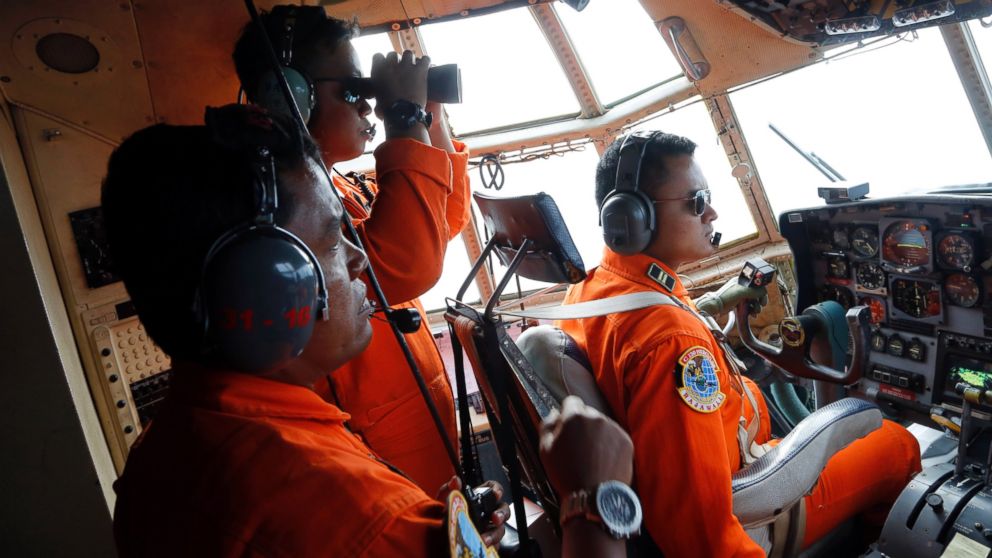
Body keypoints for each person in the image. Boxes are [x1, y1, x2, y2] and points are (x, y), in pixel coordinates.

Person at [106, 105, 635, 557]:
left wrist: (435, 533)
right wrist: (594, 499)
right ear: (266, 288)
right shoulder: (360, 518)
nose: (360, 260)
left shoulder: (166, 447)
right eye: (334, 241)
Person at [559, 130, 922, 556]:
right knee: (899, 443)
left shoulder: (592, 290)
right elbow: (701, 536)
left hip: (726, 462)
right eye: (696, 201)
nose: (710, 211)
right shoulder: (672, 341)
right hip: (754, 505)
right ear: (633, 219)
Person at [232, 5, 470, 493]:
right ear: (291, 97)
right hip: (373, 447)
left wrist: (428, 115)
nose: (368, 107)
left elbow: (442, 223)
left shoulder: (343, 187)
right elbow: (406, 265)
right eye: (354, 91)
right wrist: (401, 116)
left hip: (417, 428)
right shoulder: (280, 204)